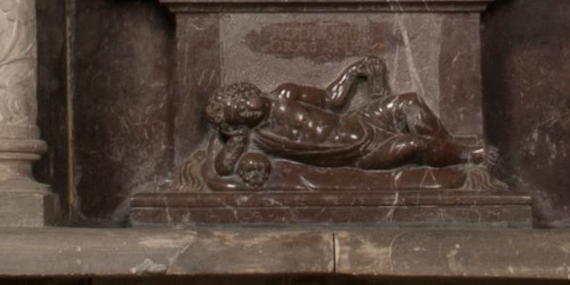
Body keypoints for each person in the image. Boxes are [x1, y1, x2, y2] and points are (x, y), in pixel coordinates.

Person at [199, 58, 491, 189]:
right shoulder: (255, 137)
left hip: (360, 120)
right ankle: (469, 156)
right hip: (361, 152)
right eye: (239, 113)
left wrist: (352, 73)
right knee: (413, 146)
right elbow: (223, 168)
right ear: (237, 123)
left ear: (248, 90)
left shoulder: (286, 94)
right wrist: (236, 137)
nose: (247, 109)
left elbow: (329, 100)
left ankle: (449, 144)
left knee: (409, 102)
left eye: (244, 101)